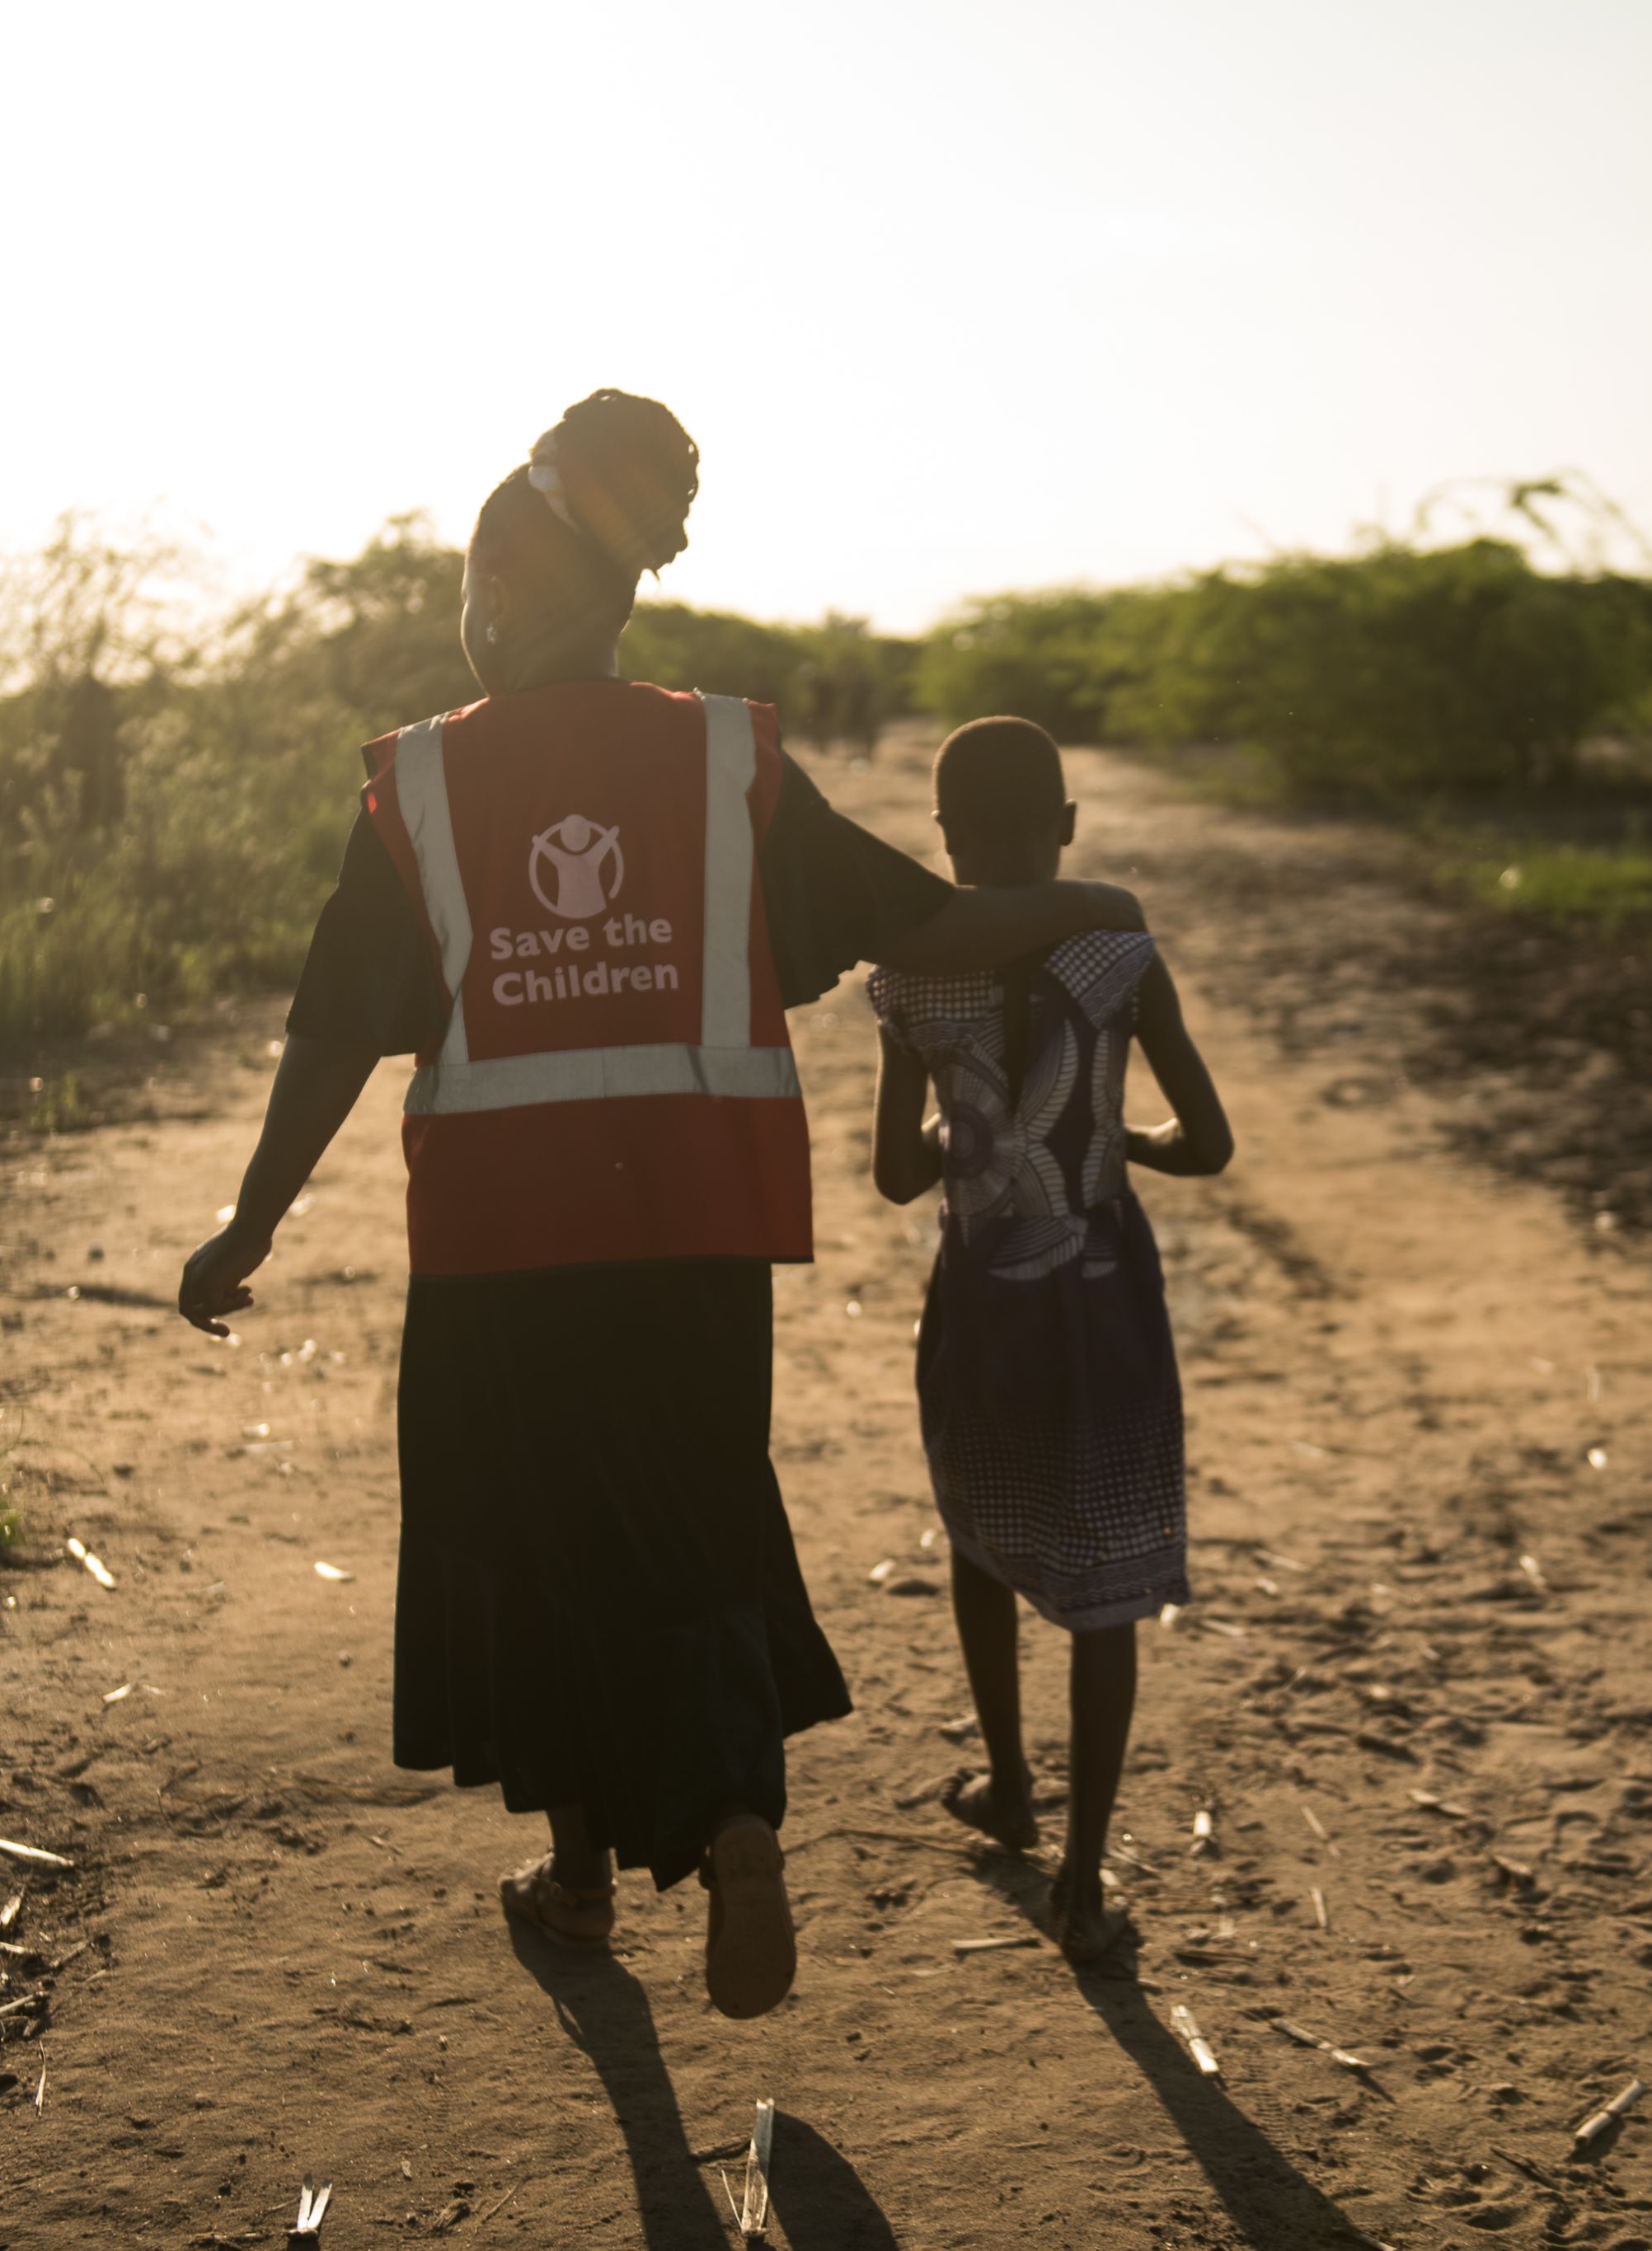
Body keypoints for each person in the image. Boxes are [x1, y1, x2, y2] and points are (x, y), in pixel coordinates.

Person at [177, 394, 1154, 2019]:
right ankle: (728, 1822)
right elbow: (928, 920)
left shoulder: (420, 783)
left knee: (541, 1553)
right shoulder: (725, 755)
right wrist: (1084, 896)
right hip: (698, 1241)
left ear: (497, 594)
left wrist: (250, 1222)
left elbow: (335, 1025)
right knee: (693, 1529)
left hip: (499, 1254)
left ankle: (575, 1881)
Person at [863, 716, 1233, 1963]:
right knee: (1107, 1567)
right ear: (1065, 828)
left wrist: (968, 1142)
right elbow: (1212, 1144)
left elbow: (892, 1178)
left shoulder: (911, 982)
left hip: (982, 1294)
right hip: (1105, 1283)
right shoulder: (1119, 955)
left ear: (947, 844)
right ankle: (1084, 1882)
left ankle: (1012, 1786)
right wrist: (1117, 1147)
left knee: (982, 1523)